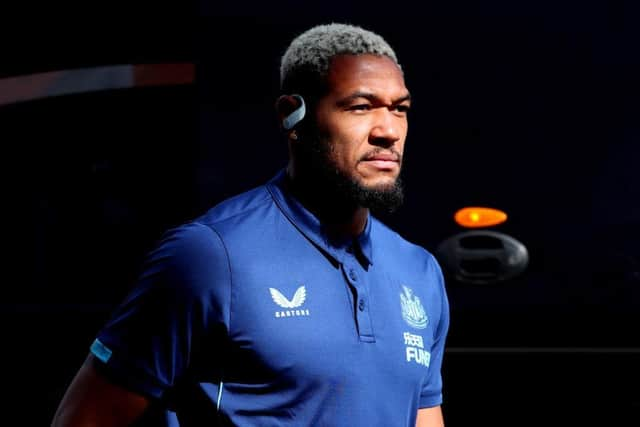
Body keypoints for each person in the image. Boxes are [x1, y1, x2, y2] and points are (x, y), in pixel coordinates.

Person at [51, 23, 450, 427]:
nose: (388, 131)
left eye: (399, 109)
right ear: (291, 116)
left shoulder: (419, 273)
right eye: (360, 107)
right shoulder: (209, 255)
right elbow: (83, 420)